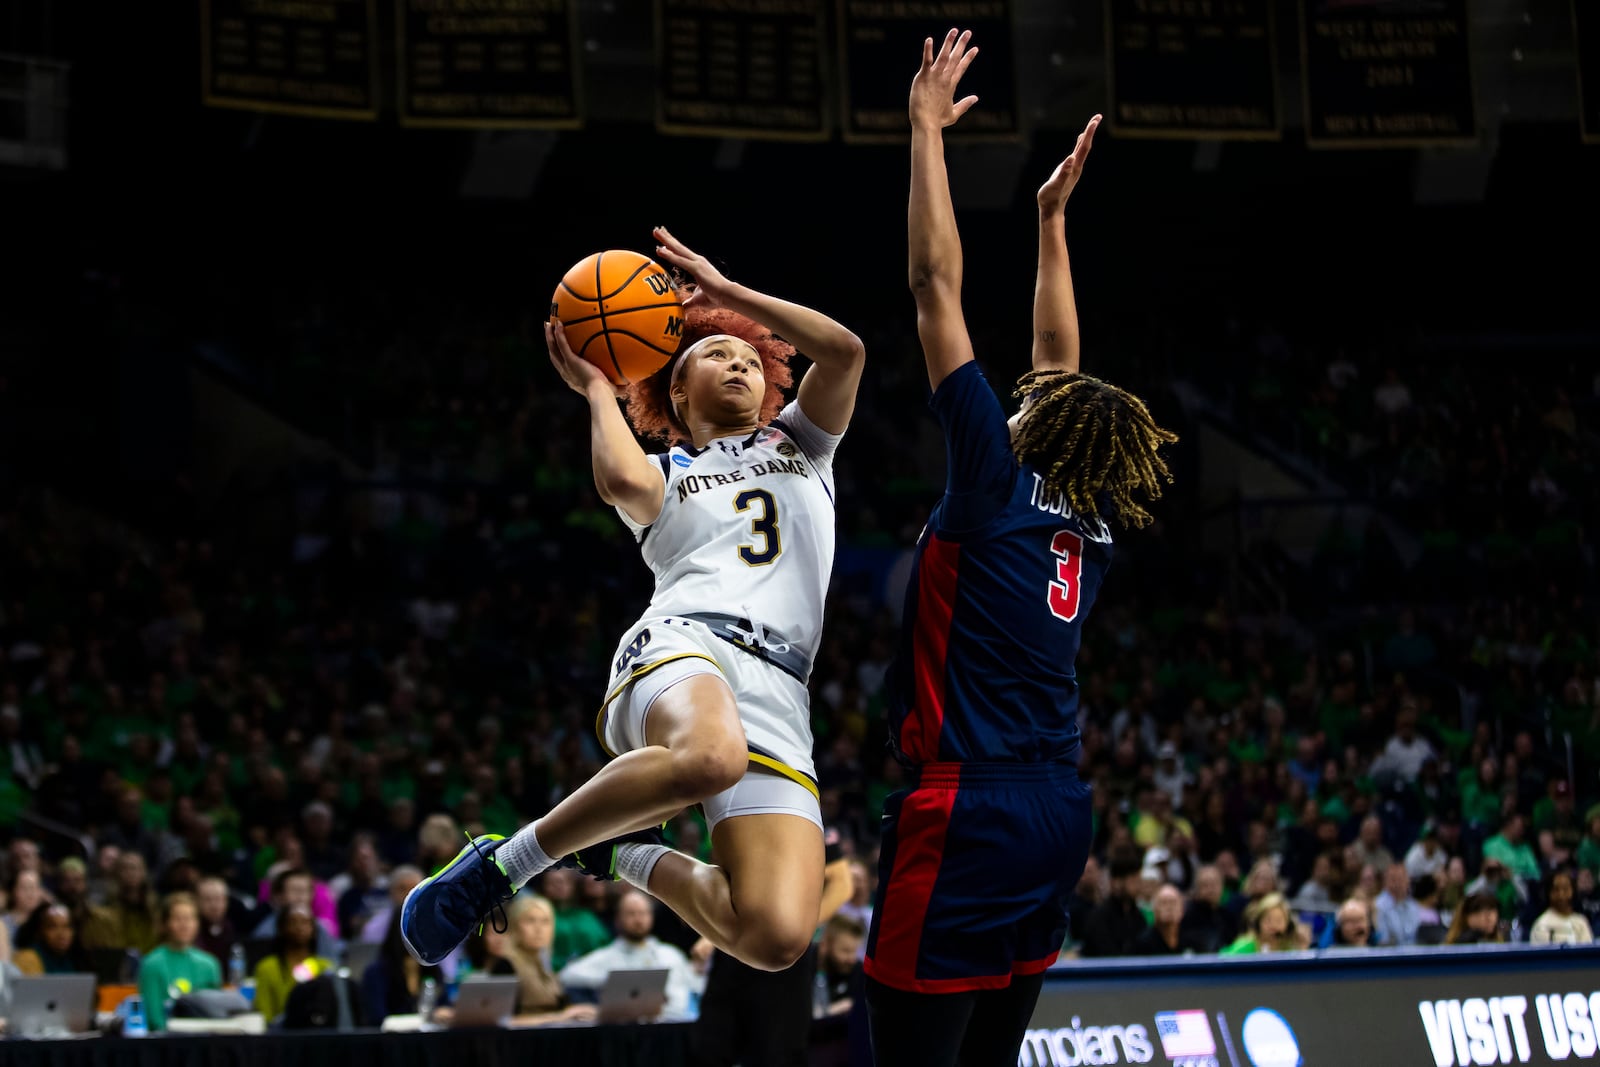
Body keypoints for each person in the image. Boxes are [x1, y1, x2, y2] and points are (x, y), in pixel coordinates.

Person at [402, 225, 866, 978]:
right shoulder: (668, 468)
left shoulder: (803, 445)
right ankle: (503, 864)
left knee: (777, 935)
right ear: (675, 388)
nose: (740, 363)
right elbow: (618, 482)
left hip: (783, 687)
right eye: (716, 353)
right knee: (714, 756)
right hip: (687, 645)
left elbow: (845, 350)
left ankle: (619, 848)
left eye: (750, 357)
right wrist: (597, 387)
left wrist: (730, 296)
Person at [863, 29, 1177, 1067]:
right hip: (1057, 808)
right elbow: (1057, 365)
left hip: (969, 807)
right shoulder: (1084, 504)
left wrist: (922, 133)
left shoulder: (991, 479)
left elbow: (930, 288)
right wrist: (1048, 222)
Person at [558, 890, 704, 1021]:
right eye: (631, 914)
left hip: (675, 1027)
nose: (638, 920)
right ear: (618, 919)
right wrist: (609, 981)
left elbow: (696, 984)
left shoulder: (671, 954)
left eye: (643, 913)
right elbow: (566, 976)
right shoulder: (607, 956)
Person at [137, 893, 222, 1032]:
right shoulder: (151, 964)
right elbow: (154, 1019)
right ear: (164, 924)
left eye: (189, 919)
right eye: (177, 919)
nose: (184, 925)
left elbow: (217, 1012)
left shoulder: (210, 964)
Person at [253, 905, 337, 1023]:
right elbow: (264, 1017)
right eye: (293, 922)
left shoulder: (325, 967)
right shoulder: (266, 968)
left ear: (314, 930)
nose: (299, 927)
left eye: (305, 922)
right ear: (281, 928)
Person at [12, 902, 93, 975]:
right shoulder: (28, 958)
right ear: (40, 931)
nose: (62, 934)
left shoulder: (76, 958)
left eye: (67, 926)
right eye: (53, 927)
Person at [1529, 869, 1594, 944]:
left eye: (1565, 889)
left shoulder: (1581, 922)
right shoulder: (1542, 925)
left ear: (1573, 891)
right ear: (1549, 893)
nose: (1561, 895)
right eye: (1556, 890)